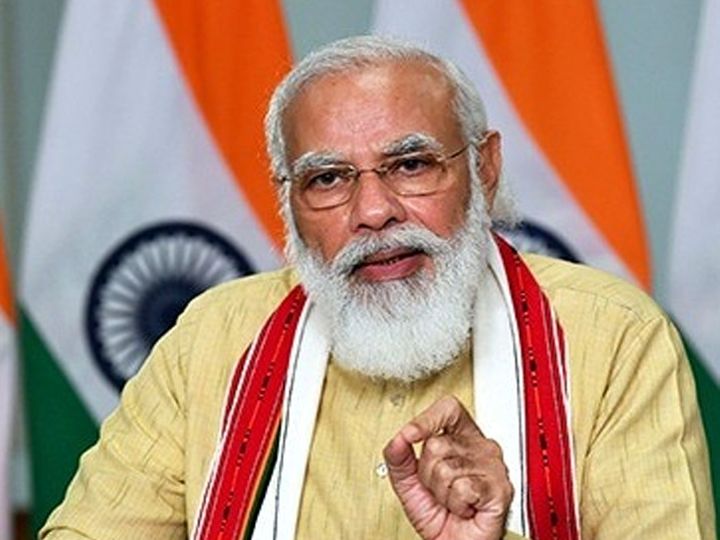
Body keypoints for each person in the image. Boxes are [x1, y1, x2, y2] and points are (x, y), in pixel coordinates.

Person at [41, 36, 714, 540]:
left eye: (411, 164)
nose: (373, 212)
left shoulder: (615, 339)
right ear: (288, 200)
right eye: (328, 179)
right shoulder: (213, 338)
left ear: (484, 167)